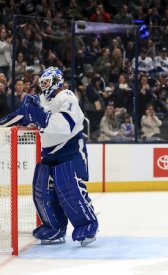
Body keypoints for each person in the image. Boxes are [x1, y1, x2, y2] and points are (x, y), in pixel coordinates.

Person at [0, 67, 98, 246]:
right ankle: (54, 228)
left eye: (46, 82)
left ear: (56, 81)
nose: (43, 86)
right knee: (42, 191)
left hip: (70, 152)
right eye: (42, 83)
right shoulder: (43, 99)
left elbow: (62, 126)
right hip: (49, 154)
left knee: (69, 190)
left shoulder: (67, 97)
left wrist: (37, 114)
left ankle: (87, 225)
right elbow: (21, 116)